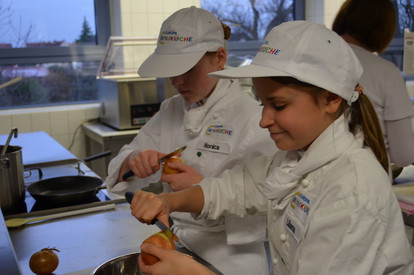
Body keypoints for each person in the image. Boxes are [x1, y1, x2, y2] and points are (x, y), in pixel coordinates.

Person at [129, 21, 414, 275]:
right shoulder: (296, 157)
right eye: (262, 103)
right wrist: (169, 202)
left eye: (278, 105)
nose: (264, 120)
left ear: (330, 99)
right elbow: (239, 187)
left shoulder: (351, 191)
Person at [104, 6, 277, 275]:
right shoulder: (171, 110)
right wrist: (133, 161)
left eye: (188, 69)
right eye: (171, 71)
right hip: (176, 244)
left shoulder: (255, 119)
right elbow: (117, 175)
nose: (177, 81)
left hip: (230, 260)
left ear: (219, 58)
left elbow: (271, 213)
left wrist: (200, 191)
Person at [332, 0, 414, 174]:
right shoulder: (385, 72)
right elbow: (404, 155)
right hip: (367, 181)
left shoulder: (314, 61)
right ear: (383, 31)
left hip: (310, 183)